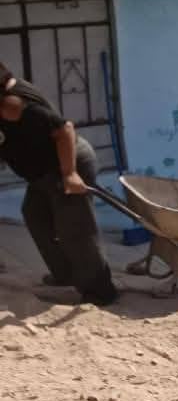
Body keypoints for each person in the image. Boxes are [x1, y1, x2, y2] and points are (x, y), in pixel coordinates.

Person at [0, 62, 117, 305]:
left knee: (75, 229)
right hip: (43, 172)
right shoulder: (7, 98)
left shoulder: (14, 103)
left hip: (65, 164)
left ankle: (99, 291)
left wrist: (70, 174)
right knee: (35, 215)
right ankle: (66, 274)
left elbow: (64, 129)